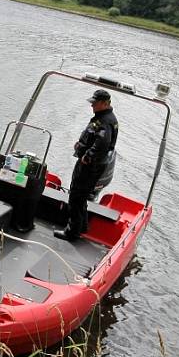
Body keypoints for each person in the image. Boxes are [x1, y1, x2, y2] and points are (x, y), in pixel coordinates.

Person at [54, 88, 118, 242]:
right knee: (81, 197)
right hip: (93, 166)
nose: (92, 106)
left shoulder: (105, 120)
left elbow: (103, 143)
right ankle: (82, 226)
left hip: (90, 167)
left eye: (95, 103)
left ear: (104, 103)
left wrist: (87, 157)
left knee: (76, 197)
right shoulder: (104, 117)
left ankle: (72, 232)